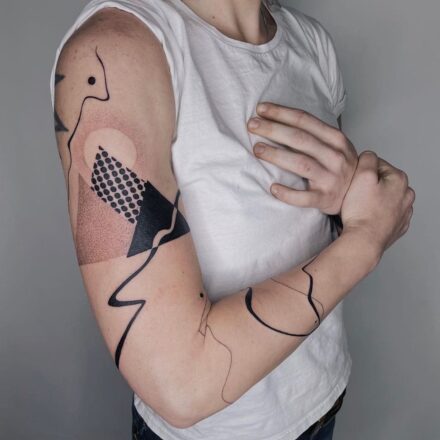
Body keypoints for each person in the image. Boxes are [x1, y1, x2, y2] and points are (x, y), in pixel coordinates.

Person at [49, 0, 415, 439]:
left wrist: (345, 203)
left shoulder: (311, 42)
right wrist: (367, 239)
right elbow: (181, 386)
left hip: (322, 399)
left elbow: (316, 219)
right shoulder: (111, 56)